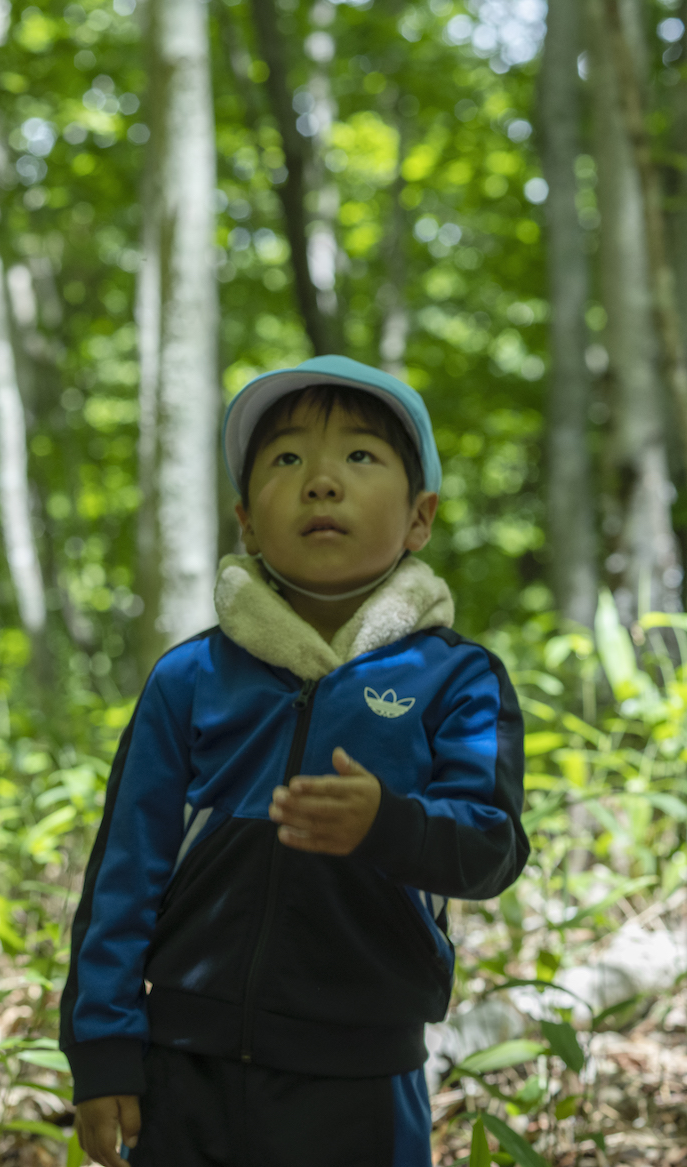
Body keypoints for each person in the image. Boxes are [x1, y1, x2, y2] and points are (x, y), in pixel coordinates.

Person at [58, 356, 529, 1167]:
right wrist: (102, 1049)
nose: (320, 481)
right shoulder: (189, 677)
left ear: (420, 518)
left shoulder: (455, 678)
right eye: (286, 459)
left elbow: (490, 847)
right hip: (185, 1071)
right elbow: (125, 872)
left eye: (359, 456)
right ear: (246, 521)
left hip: (363, 1076)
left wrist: (389, 823)